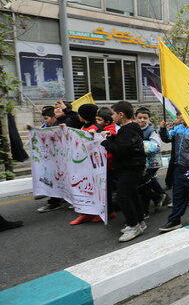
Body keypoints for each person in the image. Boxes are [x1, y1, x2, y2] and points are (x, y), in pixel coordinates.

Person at [99, 101, 147, 242]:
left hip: (130, 167)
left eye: (113, 114)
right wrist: (112, 137)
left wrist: (105, 142)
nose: (112, 116)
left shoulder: (128, 129)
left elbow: (122, 150)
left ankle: (134, 226)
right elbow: (126, 144)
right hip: (132, 166)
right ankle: (140, 221)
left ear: (121, 114)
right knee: (132, 193)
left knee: (123, 196)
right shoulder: (129, 127)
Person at [69, 103, 102, 225]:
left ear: (83, 115)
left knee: (95, 190)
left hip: (92, 165)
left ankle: (102, 212)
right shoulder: (85, 126)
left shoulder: (95, 128)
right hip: (82, 165)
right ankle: (85, 213)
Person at [135, 107, 169, 215]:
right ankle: (159, 196)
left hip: (152, 163)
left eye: (145, 118)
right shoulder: (134, 129)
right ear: (135, 118)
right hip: (141, 163)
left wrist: (138, 145)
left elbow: (156, 146)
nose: (142, 120)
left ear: (149, 119)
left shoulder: (151, 131)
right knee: (146, 182)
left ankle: (152, 202)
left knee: (145, 183)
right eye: (139, 117)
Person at [35, 106, 70, 213]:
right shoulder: (48, 127)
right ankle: (56, 200)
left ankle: (56, 202)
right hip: (52, 160)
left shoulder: (61, 126)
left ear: (54, 117)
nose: (45, 121)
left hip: (62, 160)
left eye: (46, 118)